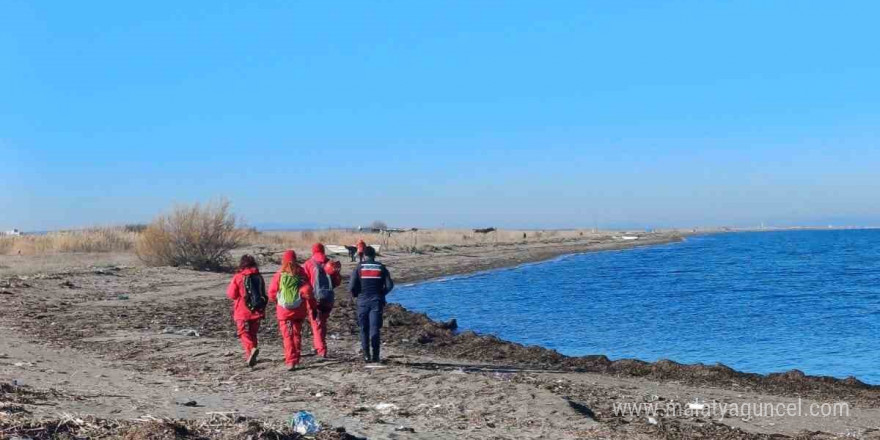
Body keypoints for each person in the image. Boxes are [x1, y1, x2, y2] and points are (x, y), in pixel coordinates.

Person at [268, 250, 315, 370]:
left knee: (287, 336)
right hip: (299, 310)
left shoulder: (279, 273)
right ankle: (296, 358)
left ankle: (291, 360)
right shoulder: (302, 273)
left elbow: (272, 293)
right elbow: (308, 291)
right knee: (296, 334)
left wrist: (278, 300)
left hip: (284, 311)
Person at [349, 246, 394, 363]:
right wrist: (381, 294)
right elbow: (389, 286)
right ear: (374, 255)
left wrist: (356, 295)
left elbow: (352, 287)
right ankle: (376, 355)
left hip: (362, 301)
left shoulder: (359, 268)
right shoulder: (381, 267)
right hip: (376, 301)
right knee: (375, 329)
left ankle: (366, 355)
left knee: (363, 329)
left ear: (364, 255)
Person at [226, 254, 267, 367]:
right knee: (253, 333)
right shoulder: (258, 276)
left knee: (243, 333)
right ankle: (251, 353)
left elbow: (232, 294)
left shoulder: (239, 277)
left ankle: (250, 351)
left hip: (242, 311)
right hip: (257, 310)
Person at [302, 243, 342, 358]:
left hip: (315, 298)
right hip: (328, 298)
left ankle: (321, 350)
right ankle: (320, 345)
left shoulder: (308, 264)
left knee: (316, 324)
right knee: (322, 322)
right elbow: (337, 282)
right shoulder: (330, 263)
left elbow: (304, 282)